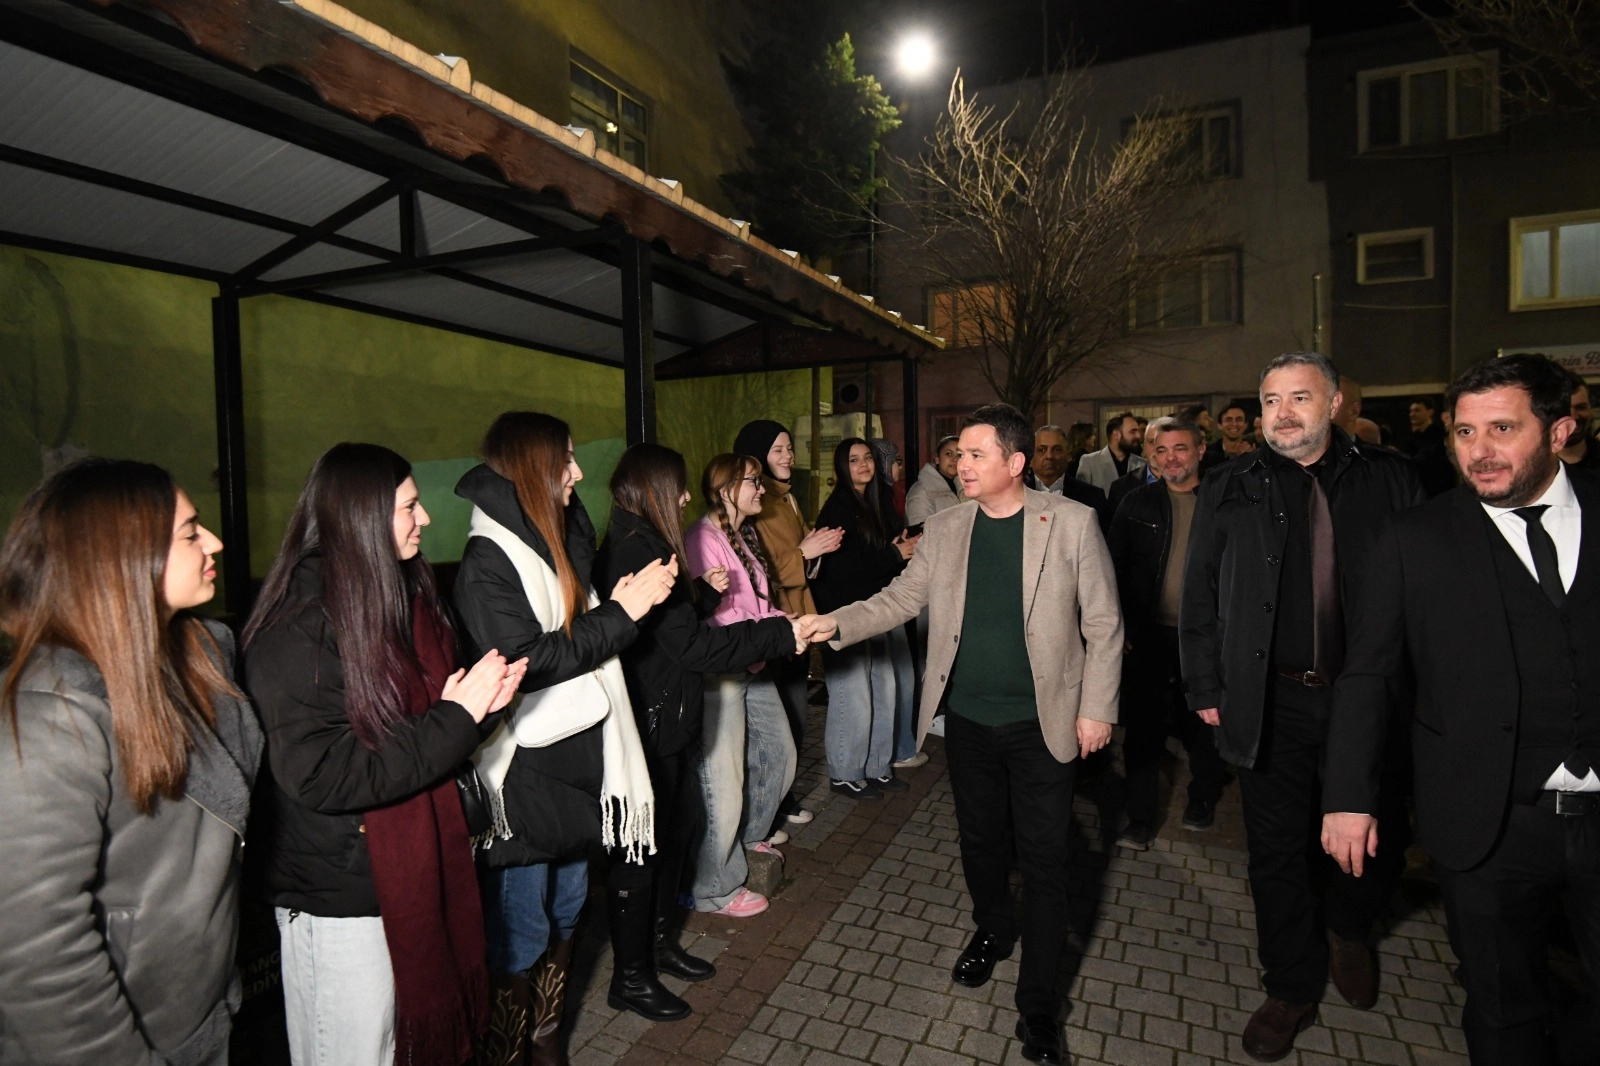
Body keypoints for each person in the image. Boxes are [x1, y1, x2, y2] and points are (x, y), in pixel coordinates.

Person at [808, 403, 1122, 1065]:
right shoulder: (947, 527)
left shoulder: (1071, 523)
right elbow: (901, 598)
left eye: (978, 455)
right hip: (970, 722)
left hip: (1045, 723)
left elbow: (1104, 623)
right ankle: (993, 929)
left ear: (1015, 462)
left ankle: (1039, 1007)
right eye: (961, 455)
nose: (963, 465)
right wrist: (833, 624)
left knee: (1044, 860)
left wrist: (1098, 708)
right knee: (980, 843)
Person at [1323, 355, 1599, 1066]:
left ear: (1560, 430)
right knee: (1502, 1008)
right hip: (1487, 820)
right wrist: (1349, 796)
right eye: (1465, 432)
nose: (1479, 451)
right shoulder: (1413, 538)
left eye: (1502, 429)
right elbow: (1369, 674)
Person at [243, 443, 525, 1066]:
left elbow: (431, 732)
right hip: (341, 894)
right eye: (409, 506)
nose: (425, 518)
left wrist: (482, 707)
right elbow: (326, 775)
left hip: (407, 872)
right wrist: (458, 717)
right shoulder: (302, 625)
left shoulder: (401, 597)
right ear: (362, 516)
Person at [1179, 352, 1424, 1061]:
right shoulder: (1229, 485)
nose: (1282, 414)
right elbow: (1200, 591)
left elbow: (1426, 597)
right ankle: (1290, 984)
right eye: (1270, 401)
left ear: (1335, 402)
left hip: (1366, 701)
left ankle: (1350, 928)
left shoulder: (1392, 478)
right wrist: (1204, 686)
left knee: (1373, 843)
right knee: (1276, 854)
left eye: (1299, 398)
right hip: (1269, 701)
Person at [0, 459, 263, 1066]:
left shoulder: (193, 659)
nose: (215, 542)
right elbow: (34, 950)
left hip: (197, 1016)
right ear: (122, 558)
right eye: (190, 532)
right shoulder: (49, 717)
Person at [452, 413, 675, 1063]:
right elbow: (529, 659)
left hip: (581, 757)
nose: (577, 472)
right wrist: (622, 613)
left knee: (570, 910)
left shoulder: (561, 534)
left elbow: (579, 631)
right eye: (565, 460)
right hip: (523, 774)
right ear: (532, 468)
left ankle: (546, 1041)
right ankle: (511, 1052)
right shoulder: (488, 558)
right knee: (520, 931)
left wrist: (617, 607)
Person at [596, 444, 807, 1020]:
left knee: (678, 830)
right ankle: (631, 977)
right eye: (679, 485)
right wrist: (779, 635)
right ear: (652, 488)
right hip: (652, 719)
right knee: (644, 849)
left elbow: (671, 623)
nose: (686, 495)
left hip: (667, 715)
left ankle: (660, 945)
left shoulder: (646, 539)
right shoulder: (636, 547)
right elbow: (688, 646)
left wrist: (706, 593)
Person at [684, 453, 800, 916]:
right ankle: (713, 887)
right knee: (722, 779)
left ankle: (750, 837)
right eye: (753, 480)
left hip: (752, 661)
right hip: (723, 668)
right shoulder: (702, 537)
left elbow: (756, 602)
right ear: (726, 489)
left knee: (780, 753)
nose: (761, 488)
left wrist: (786, 623)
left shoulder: (741, 534)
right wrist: (779, 631)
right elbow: (718, 616)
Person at [1107, 418, 1227, 849]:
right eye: (1161, 450)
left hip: (1207, 639)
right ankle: (1140, 817)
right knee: (1143, 729)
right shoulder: (1135, 503)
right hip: (1149, 635)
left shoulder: (1224, 503)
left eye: (1180, 448)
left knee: (1204, 726)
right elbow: (1112, 569)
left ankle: (1202, 798)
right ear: (1150, 455)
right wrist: (1122, 626)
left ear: (1200, 450)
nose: (1170, 458)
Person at [732, 420, 844, 827]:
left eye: (789, 448)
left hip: (796, 620)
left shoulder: (788, 497)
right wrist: (803, 552)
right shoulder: (752, 505)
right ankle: (768, 809)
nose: (788, 456)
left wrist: (814, 550)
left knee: (794, 714)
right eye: (778, 449)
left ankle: (781, 798)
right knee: (773, 723)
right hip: (771, 625)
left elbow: (798, 557)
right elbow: (756, 571)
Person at [811, 439, 920, 799]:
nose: (863, 465)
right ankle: (845, 773)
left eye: (868, 458)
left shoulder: (878, 501)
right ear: (842, 468)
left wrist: (899, 546)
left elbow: (880, 556)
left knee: (885, 689)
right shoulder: (838, 509)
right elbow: (843, 571)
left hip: (877, 608)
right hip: (846, 614)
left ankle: (877, 767)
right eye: (854, 460)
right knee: (853, 696)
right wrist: (894, 554)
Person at [1030, 423, 1111, 525]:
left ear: (1068, 455)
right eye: (1042, 450)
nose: (1049, 456)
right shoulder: (1015, 497)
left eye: (1057, 449)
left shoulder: (1093, 498)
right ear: (1030, 457)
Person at [1076, 412, 1146, 492]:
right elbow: (1081, 496)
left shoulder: (1142, 464)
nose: (1138, 436)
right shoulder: (1089, 463)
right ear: (1116, 435)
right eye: (1133, 431)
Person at [906, 433, 962, 525]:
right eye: (949, 454)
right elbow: (920, 529)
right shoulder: (922, 491)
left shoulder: (965, 489)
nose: (955, 459)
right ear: (937, 458)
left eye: (959, 455)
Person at [1406, 396, 1456, 496]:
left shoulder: (1440, 434)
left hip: (1441, 486)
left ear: (1430, 412)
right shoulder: (1412, 437)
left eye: (1417, 410)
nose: (1412, 414)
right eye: (1411, 411)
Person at [1559, 373, 1600, 470]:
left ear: (1590, 409)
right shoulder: (1532, 464)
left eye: (1580, 407)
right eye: (1564, 409)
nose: (1573, 417)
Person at [868, 437, 908, 521]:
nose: (900, 467)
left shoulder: (886, 492)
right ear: (885, 462)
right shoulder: (877, 495)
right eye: (898, 461)